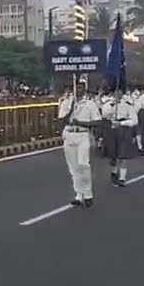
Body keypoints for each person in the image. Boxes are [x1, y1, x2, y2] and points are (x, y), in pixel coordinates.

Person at [58, 78, 102, 207]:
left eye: (81, 88)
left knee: (83, 165)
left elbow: (97, 122)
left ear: (84, 89)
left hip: (83, 134)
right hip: (69, 134)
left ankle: (88, 194)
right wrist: (71, 108)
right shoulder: (65, 102)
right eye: (76, 88)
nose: (78, 90)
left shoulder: (90, 104)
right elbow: (61, 121)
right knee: (74, 168)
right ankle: (78, 194)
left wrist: (81, 123)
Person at [102, 85, 139, 186]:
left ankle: (122, 178)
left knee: (123, 154)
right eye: (116, 92)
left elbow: (134, 120)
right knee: (113, 154)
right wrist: (112, 105)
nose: (118, 94)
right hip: (112, 130)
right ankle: (114, 171)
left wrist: (123, 123)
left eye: (119, 92)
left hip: (124, 130)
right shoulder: (108, 104)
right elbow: (104, 115)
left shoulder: (128, 105)